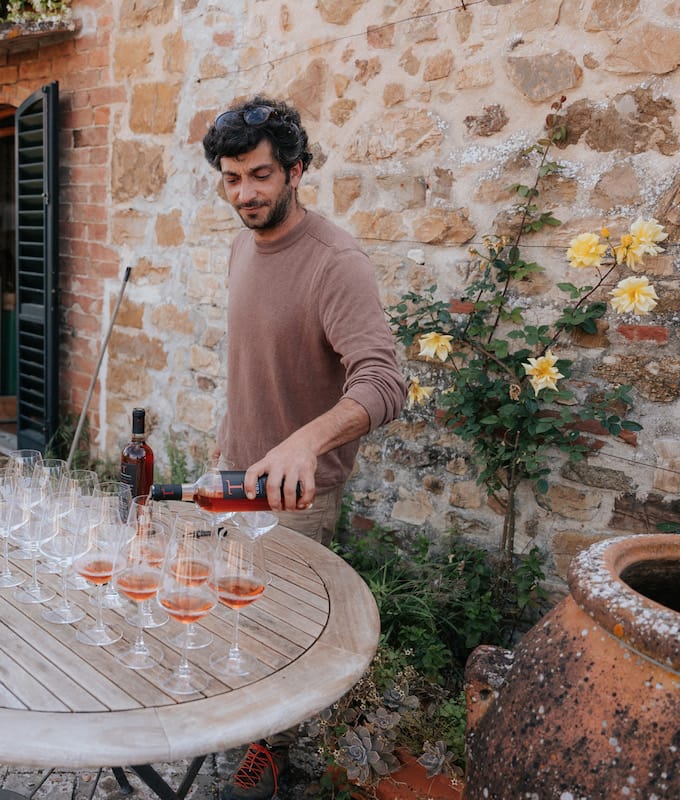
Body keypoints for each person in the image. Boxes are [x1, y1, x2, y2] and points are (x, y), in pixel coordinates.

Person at [201, 96, 407, 799]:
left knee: (279, 638)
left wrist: (304, 444)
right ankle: (233, 725)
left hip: (297, 494)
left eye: (259, 175)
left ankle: (272, 754)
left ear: (295, 170)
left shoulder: (335, 261)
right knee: (229, 617)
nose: (245, 194)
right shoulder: (240, 246)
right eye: (231, 179)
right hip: (230, 473)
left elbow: (384, 380)